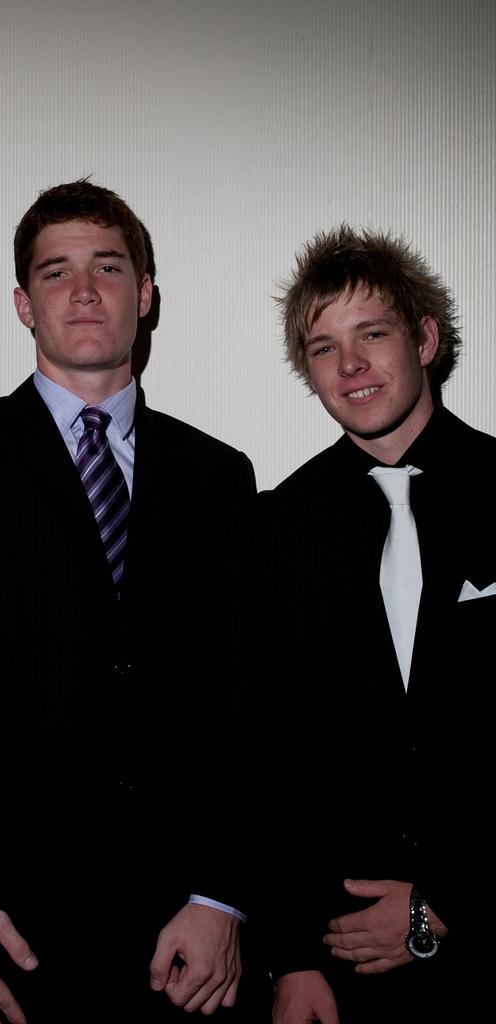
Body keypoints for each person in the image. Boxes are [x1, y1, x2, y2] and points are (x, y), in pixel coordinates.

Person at [0, 180, 264, 1023]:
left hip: (181, 944)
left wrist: (223, 898)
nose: (84, 292)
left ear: (147, 294)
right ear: (23, 303)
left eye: (109, 268)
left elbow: (241, 706)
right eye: (56, 273)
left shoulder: (218, 478)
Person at [257, 225, 491, 1022]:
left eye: (372, 334)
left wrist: (446, 902)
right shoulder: (275, 527)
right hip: (334, 967)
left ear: (423, 338)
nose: (350, 366)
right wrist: (288, 956)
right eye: (324, 349)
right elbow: (260, 750)